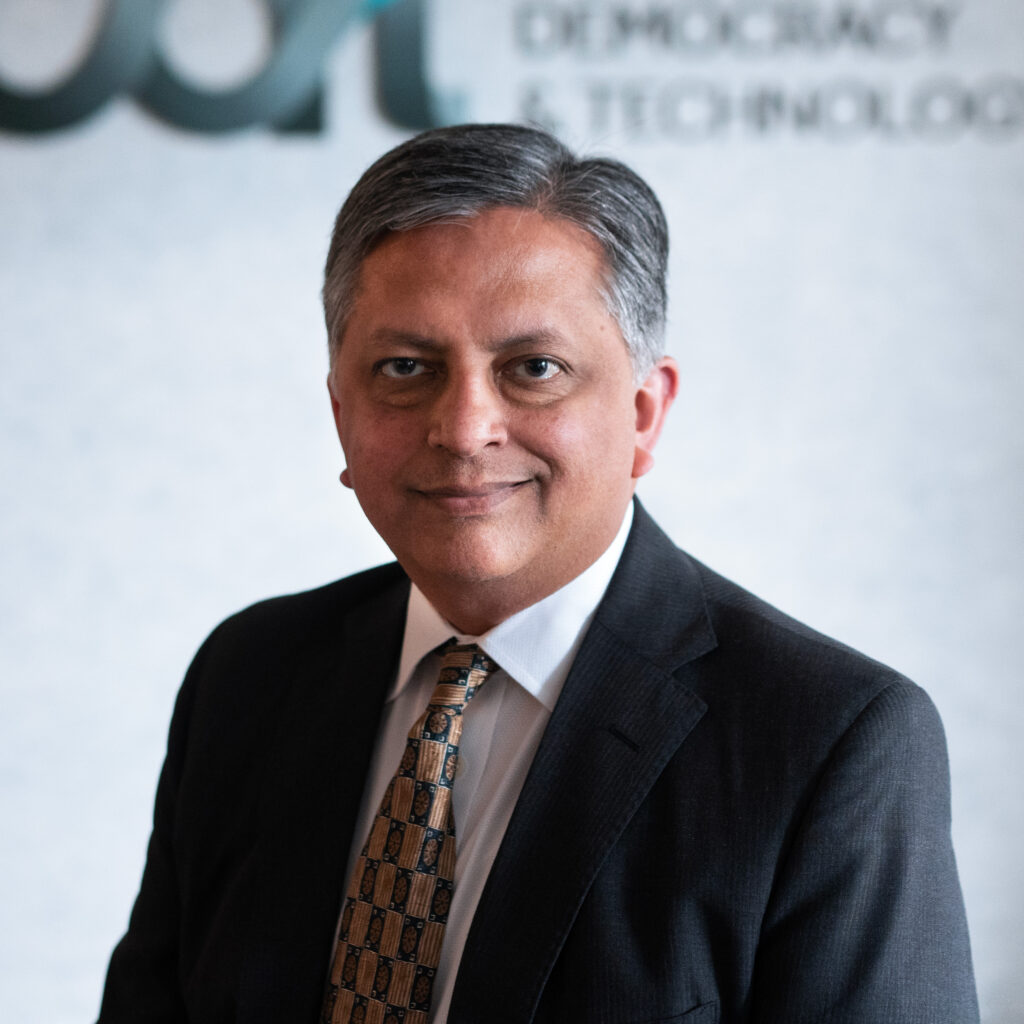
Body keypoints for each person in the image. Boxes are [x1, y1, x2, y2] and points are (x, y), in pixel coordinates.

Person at [97, 123, 978, 1024]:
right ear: (340, 413)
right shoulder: (250, 675)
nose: (465, 427)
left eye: (534, 369)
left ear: (643, 414)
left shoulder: (828, 741)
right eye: (406, 368)